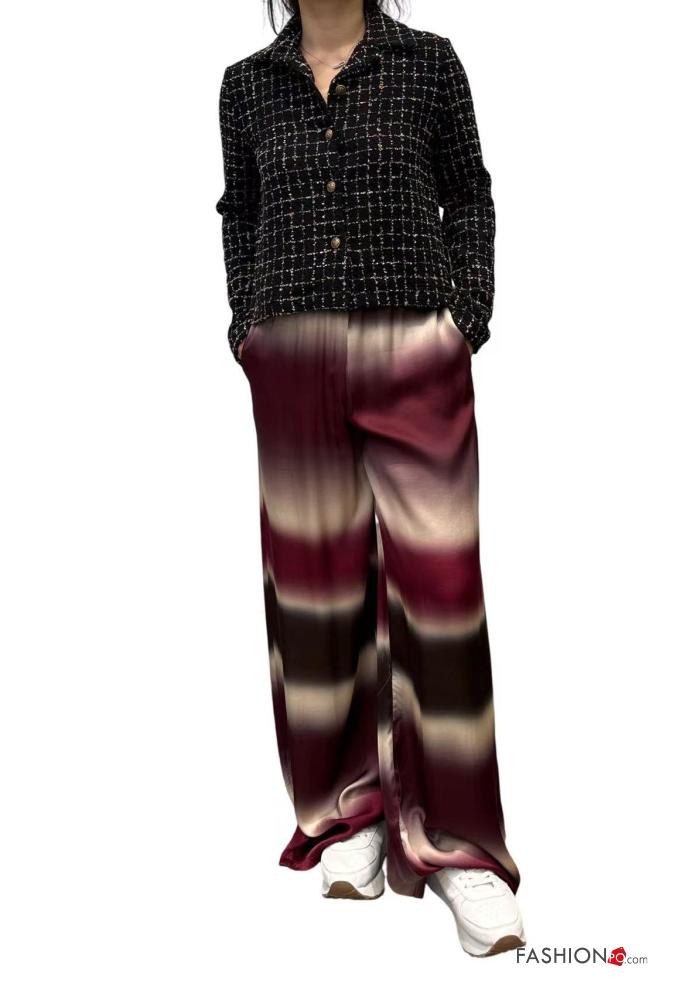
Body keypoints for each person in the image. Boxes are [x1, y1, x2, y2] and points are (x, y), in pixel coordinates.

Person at [215, 0, 525, 956]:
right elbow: (240, 212)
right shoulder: (246, 87)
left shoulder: (428, 62)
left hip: (413, 345)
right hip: (291, 351)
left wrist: (465, 318)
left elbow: (469, 195)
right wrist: (248, 327)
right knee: (316, 596)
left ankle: (462, 847)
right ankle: (350, 816)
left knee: (440, 595)